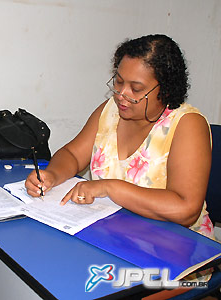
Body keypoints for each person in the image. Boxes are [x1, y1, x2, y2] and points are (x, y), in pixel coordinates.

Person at [25, 34, 214, 240]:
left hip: (177, 248)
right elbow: (73, 154)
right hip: (115, 234)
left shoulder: (187, 124)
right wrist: (52, 175)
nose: (121, 94)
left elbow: (186, 209)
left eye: (136, 88)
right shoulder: (111, 111)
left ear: (166, 90)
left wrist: (109, 187)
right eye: (119, 81)